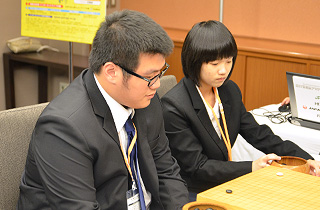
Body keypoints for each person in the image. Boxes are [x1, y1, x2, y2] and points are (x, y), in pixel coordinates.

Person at [17, 10, 189, 210]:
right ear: (111, 72)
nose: (157, 84)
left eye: (161, 72)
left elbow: (166, 170)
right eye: (150, 76)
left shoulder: (146, 99)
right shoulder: (63, 128)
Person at [161, 20, 320, 200]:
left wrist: (306, 159)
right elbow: (197, 167)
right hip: (192, 189)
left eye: (228, 61)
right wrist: (251, 167)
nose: (223, 70)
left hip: (225, 180)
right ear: (195, 62)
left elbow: (259, 134)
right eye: (214, 64)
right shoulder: (174, 106)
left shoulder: (229, 91)